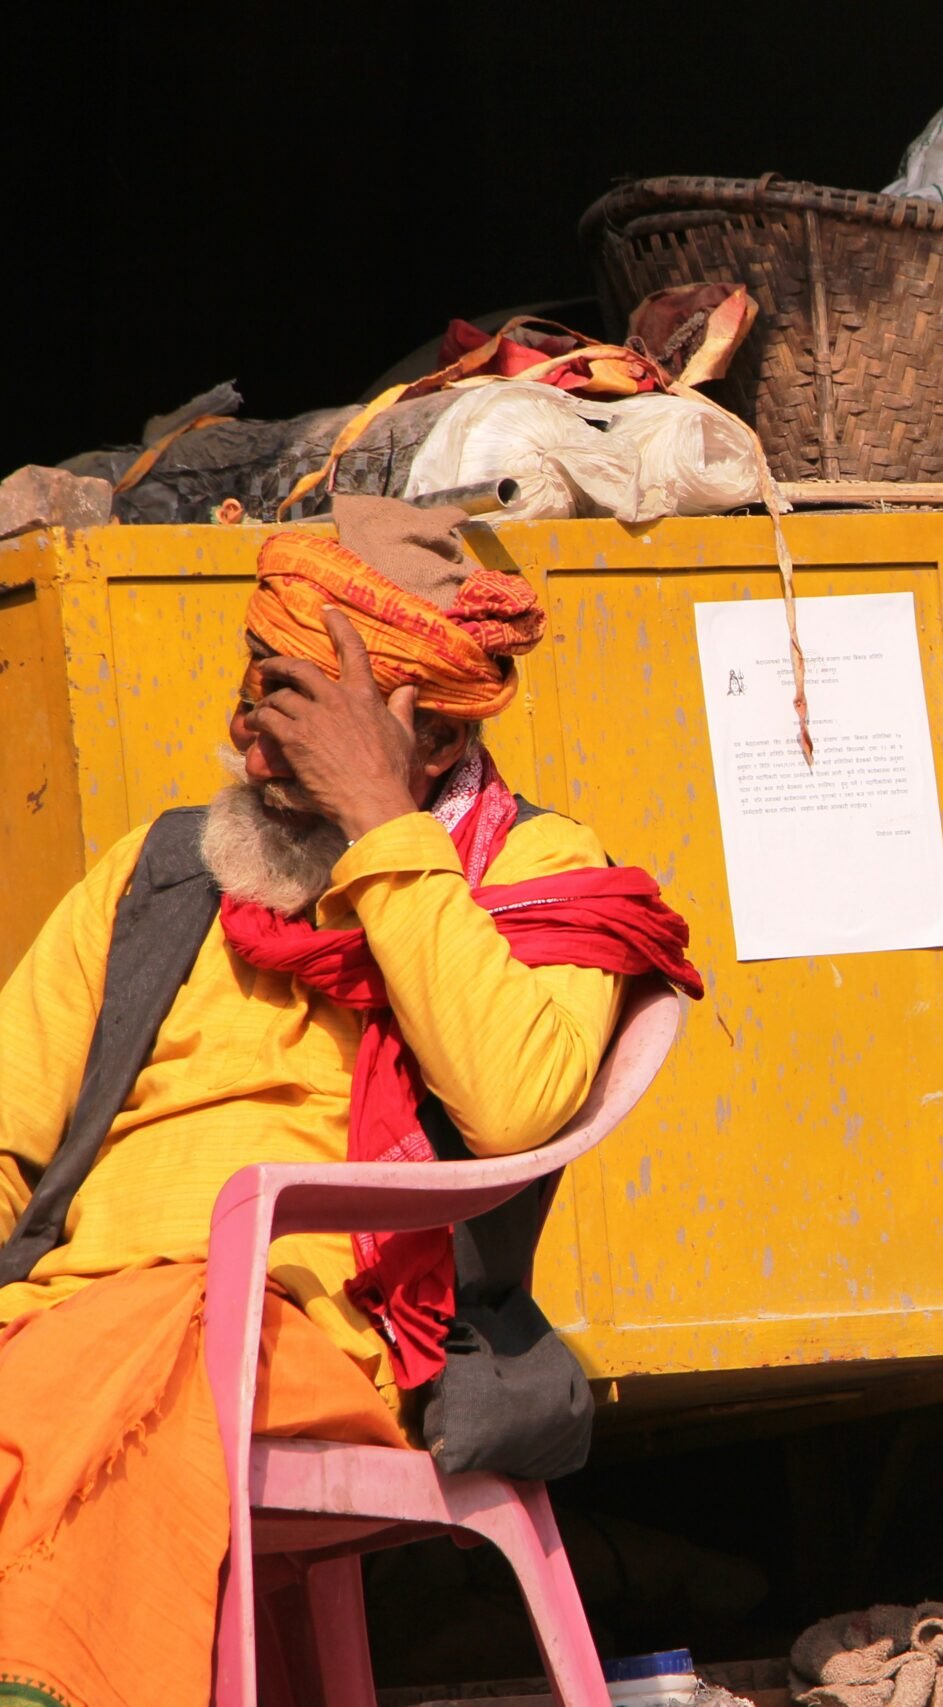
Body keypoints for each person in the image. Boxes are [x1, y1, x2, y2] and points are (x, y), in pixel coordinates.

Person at [0, 496, 702, 1707]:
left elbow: (518, 1108)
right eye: (257, 697)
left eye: (306, 724)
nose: (256, 753)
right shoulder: (158, 870)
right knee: (93, 1359)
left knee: (150, 1367)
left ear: (431, 737)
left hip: (329, 1336)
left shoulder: (536, 869)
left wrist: (382, 825)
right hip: (69, 1313)